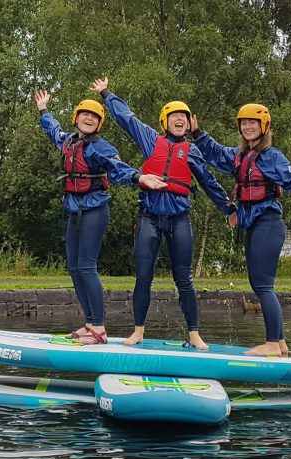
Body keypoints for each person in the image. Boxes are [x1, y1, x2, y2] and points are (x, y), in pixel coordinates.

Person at [89, 78, 236, 350]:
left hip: (179, 219)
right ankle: (138, 332)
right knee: (144, 276)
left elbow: (208, 182)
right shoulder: (150, 139)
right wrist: (106, 94)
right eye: (174, 116)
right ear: (164, 121)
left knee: (184, 279)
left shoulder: (192, 151)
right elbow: (127, 118)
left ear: (189, 123)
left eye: (184, 117)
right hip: (149, 218)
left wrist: (228, 208)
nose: (180, 119)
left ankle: (194, 335)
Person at [191, 104, 291, 356]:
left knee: (263, 285)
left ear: (263, 127)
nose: (248, 126)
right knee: (260, 284)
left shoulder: (272, 156)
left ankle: (272, 344)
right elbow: (214, 152)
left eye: (253, 122)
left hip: (268, 223)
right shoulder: (239, 156)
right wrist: (197, 133)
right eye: (243, 123)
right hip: (253, 224)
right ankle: (281, 343)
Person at [35, 90, 167, 345]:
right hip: (74, 209)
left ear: (99, 124)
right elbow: (52, 129)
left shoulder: (99, 147)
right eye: (84, 114)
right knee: (74, 269)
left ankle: (99, 328)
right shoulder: (68, 141)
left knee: (86, 266)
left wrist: (139, 177)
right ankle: (89, 323)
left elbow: (117, 168)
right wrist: (43, 110)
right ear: (76, 117)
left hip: (95, 210)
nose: (88, 119)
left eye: (94, 117)